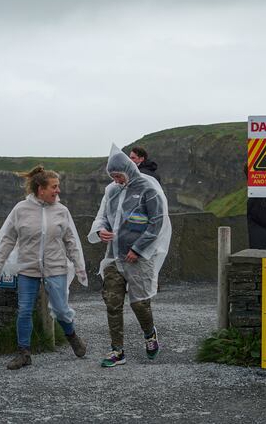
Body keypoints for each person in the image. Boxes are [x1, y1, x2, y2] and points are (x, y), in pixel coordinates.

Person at [0, 166, 88, 370]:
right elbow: (7, 239)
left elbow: (71, 241)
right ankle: (24, 353)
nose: (58, 190)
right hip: (28, 268)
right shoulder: (20, 210)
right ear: (40, 189)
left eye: (58, 186)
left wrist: (79, 266)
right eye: (54, 187)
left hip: (55, 267)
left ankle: (72, 336)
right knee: (24, 310)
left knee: (61, 309)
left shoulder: (62, 211)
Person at [88, 144, 171, 367]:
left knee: (139, 304)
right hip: (114, 257)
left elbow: (157, 222)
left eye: (118, 175)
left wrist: (138, 249)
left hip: (138, 258)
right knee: (112, 302)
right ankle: (117, 351)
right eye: (112, 176)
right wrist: (100, 230)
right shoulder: (111, 191)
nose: (116, 180)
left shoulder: (148, 188)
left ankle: (149, 334)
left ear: (128, 169)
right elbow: (102, 216)